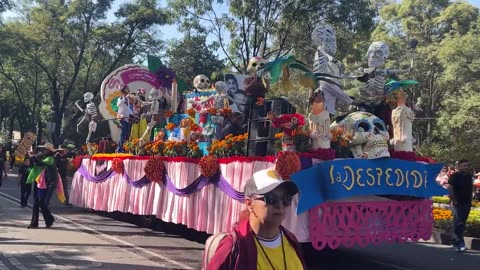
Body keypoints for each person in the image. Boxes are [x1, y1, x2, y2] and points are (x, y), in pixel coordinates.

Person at [206, 168, 307, 269]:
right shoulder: (234, 246)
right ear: (249, 204)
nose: (280, 205)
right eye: (271, 198)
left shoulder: (291, 240)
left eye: (286, 199)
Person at [27, 142, 62, 229]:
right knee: (36, 203)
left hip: (49, 183)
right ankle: (34, 223)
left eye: (45, 149)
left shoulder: (51, 158)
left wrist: (33, 157)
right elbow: (34, 163)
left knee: (43, 203)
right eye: (43, 148)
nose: (43, 150)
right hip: (39, 181)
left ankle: (49, 219)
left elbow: (40, 164)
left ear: (49, 151)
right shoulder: (39, 155)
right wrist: (32, 156)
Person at [445, 159, 474, 252]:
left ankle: (454, 241)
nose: (466, 167)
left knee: (461, 222)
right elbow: (449, 187)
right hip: (458, 202)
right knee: (459, 223)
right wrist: (453, 200)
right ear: (459, 166)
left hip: (467, 202)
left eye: (467, 165)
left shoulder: (469, 176)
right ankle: (459, 243)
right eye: (464, 165)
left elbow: (471, 188)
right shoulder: (455, 176)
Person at [116, 86, 134, 152]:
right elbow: (118, 105)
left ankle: (125, 149)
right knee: (123, 133)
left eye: (128, 88)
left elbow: (131, 108)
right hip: (123, 118)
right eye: (126, 89)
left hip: (129, 118)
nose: (128, 89)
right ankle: (119, 149)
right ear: (123, 90)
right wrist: (123, 99)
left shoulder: (130, 99)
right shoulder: (120, 98)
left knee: (128, 134)